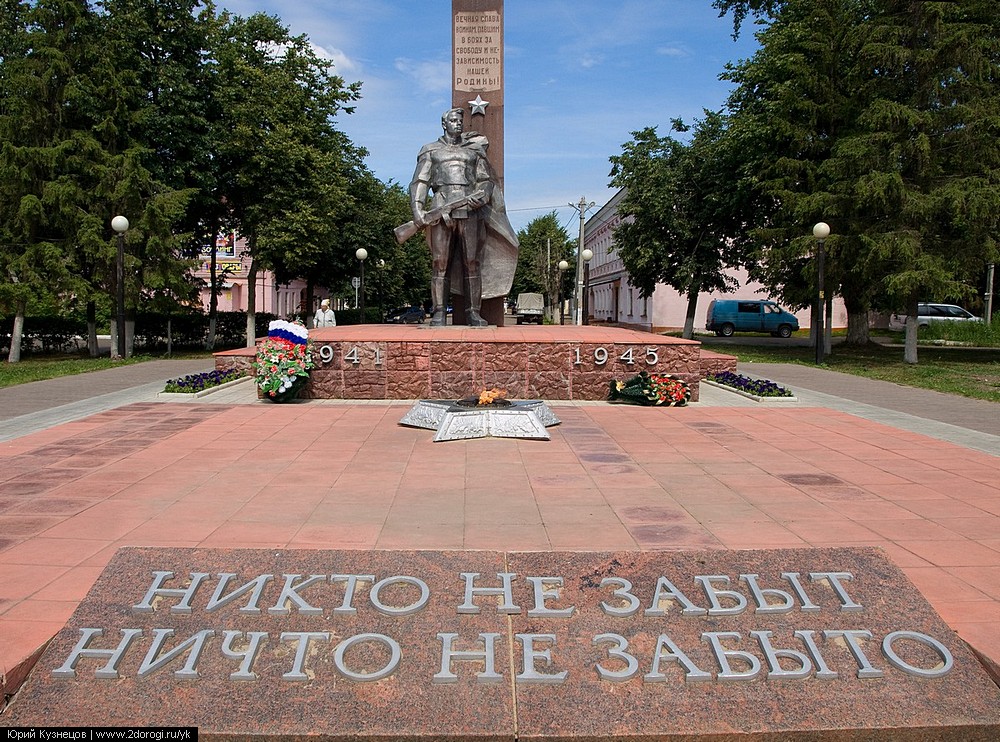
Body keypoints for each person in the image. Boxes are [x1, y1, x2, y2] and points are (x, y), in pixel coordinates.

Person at [409, 108, 518, 326]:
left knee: (472, 263)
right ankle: (439, 312)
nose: (457, 124)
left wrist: (484, 195)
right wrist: (418, 211)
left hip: (470, 211)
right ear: (444, 123)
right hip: (441, 209)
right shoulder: (431, 150)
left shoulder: (474, 151)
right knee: (440, 263)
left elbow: (486, 180)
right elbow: (420, 182)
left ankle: (473, 313)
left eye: (460, 121)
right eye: (453, 120)